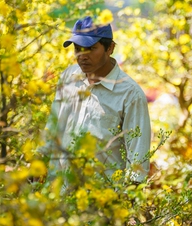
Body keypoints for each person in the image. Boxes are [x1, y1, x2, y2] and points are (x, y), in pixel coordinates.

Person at [45, 16, 152, 182]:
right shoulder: (68, 77)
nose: (82, 56)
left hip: (102, 198)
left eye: (90, 48)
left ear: (110, 48)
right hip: (60, 192)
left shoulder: (130, 93)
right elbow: (54, 127)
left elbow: (138, 156)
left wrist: (127, 199)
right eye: (78, 49)